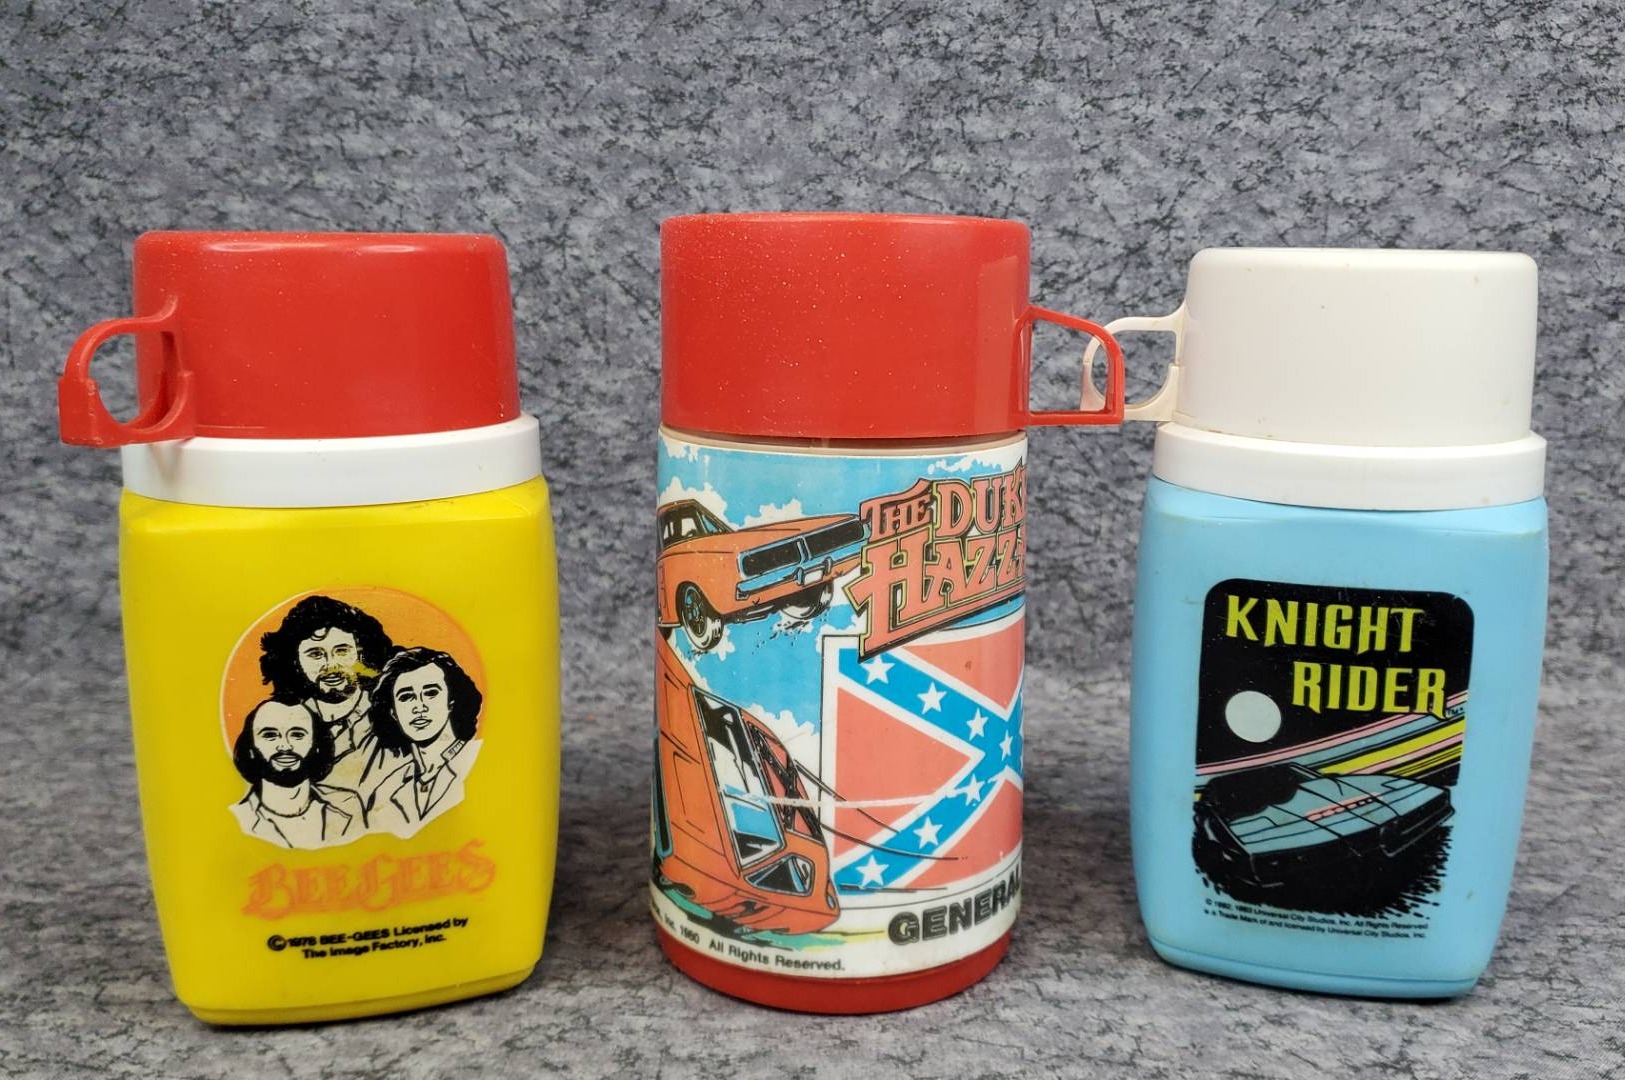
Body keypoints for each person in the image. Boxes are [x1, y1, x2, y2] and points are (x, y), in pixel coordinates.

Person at [257, 594, 397, 798]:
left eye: (342, 651)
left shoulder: (394, 715)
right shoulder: (279, 722)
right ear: (295, 661)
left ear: (361, 654)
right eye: (316, 654)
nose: (331, 665)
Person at [367, 647, 484, 837]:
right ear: (393, 712)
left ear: (451, 700)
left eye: (430, 693)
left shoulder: (479, 760)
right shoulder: (386, 790)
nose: (419, 707)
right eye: (406, 697)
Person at [230, 699, 365, 849]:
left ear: (316, 744)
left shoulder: (348, 805)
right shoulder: (237, 818)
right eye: (270, 735)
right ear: (250, 747)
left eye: (297, 735)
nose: (285, 746)